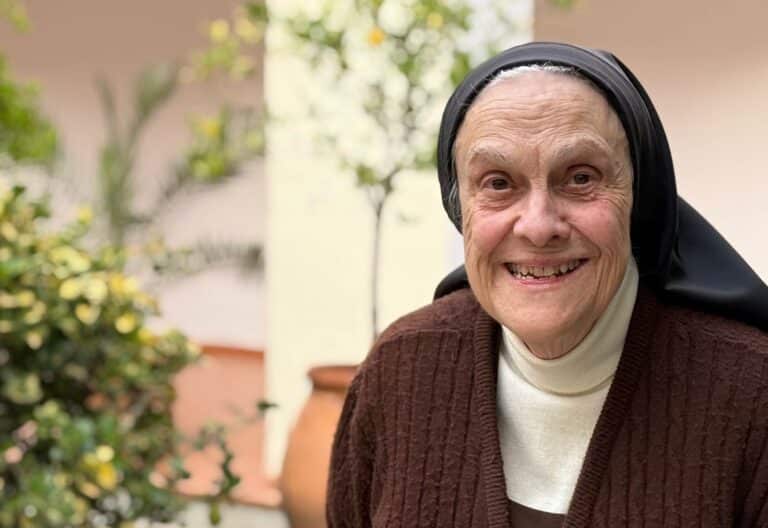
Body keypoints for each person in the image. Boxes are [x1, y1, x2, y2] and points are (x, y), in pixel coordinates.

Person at [326, 42, 768, 527]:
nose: (538, 226)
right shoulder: (399, 373)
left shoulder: (753, 398)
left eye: (580, 177)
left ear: (638, 199)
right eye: (497, 183)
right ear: (460, 208)